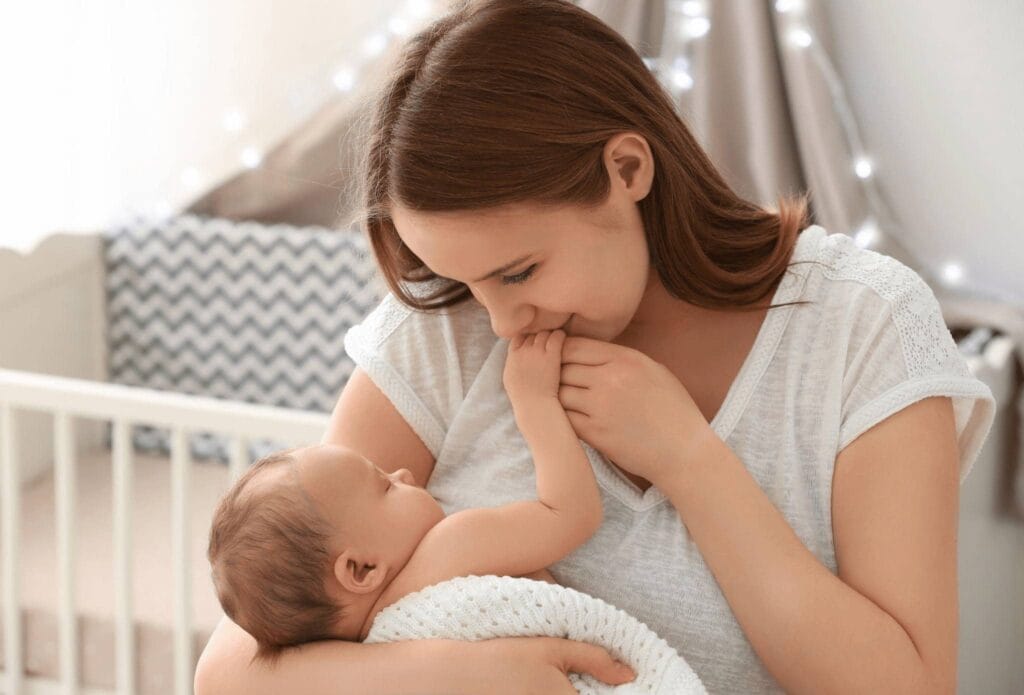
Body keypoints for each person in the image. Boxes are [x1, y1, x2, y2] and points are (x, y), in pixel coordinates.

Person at [194, 0, 996, 693]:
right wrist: (472, 675)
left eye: (518, 271)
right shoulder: (445, 330)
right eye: (464, 280)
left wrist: (691, 460)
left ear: (627, 167)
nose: (500, 322)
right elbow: (232, 671)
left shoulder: (863, 326)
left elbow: (907, 685)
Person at [205, 328, 634, 687]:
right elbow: (572, 514)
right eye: (385, 486)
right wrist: (534, 402)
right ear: (361, 570)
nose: (404, 474)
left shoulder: (358, 662)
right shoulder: (450, 548)